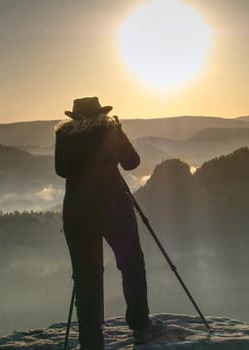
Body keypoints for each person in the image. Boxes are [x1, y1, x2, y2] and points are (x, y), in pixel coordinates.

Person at [54, 97, 165, 349]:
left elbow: (61, 170)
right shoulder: (110, 130)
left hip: (77, 212)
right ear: (101, 113)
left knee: (86, 276)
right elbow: (132, 162)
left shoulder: (63, 135)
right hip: (113, 208)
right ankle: (140, 324)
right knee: (131, 263)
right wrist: (119, 132)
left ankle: (91, 342)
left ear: (75, 116)